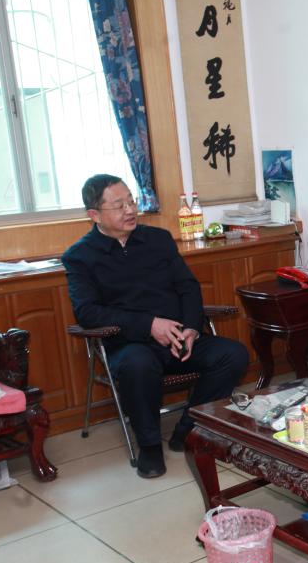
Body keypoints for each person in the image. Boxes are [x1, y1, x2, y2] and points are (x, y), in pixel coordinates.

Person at [63, 174, 249, 479]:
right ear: (94, 215)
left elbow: (187, 287)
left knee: (233, 354)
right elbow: (88, 312)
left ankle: (189, 429)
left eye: (131, 201)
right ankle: (149, 446)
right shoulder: (79, 257)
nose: (130, 210)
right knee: (138, 363)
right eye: (119, 205)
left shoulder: (158, 239)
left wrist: (191, 328)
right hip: (129, 345)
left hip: (178, 338)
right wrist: (149, 325)